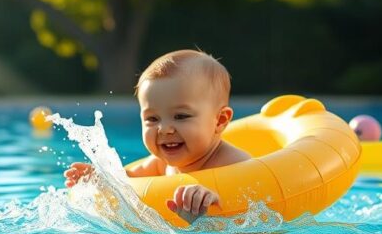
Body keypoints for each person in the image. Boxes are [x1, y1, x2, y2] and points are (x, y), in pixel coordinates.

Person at [64, 49, 251, 222]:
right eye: (152, 119)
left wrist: (213, 197)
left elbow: (253, 200)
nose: (164, 129)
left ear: (219, 121)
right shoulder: (160, 164)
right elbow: (125, 179)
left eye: (181, 116)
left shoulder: (236, 163)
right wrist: (99, 178)